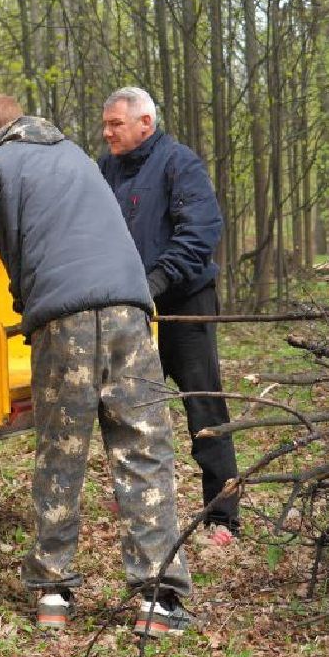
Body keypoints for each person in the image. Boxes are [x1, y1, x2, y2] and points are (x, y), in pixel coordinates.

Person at [0, 94, 192, 636]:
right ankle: (159, 601)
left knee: (62, 456)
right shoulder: (80, 159)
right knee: (145, 451)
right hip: (130, 310)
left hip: (63, 320)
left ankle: (52, 594)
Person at [98, 86, 241, 542]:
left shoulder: (180, 163)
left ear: (146, 122)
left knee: (203, 403)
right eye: (104, 125)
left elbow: (200, 233)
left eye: (115, 124)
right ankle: (137, 497)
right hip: (129, 306)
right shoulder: (104, 172)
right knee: (129, 404)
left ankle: (221, 515)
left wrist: (157, 282)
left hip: (183, 302)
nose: (106, 133)